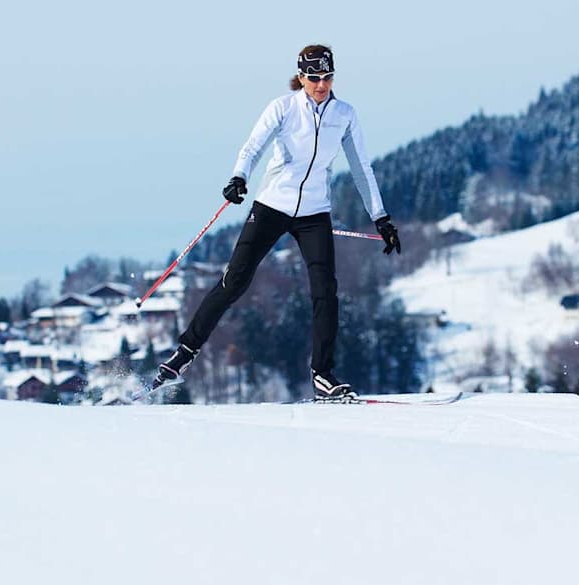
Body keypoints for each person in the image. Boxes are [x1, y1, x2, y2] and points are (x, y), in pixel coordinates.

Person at [152, 44, 401, 402]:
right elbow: (252, 147)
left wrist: (381, 218)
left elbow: (362, 168)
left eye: (327, 77)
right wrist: (239, 177)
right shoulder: (283, 108)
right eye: (314, 77)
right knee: (234, 281)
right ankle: (183, 354)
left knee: (325, 290)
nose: (321, 84)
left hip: (314, 212)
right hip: (272, 206)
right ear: (301, 77)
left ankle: (322, 375)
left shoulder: (344, 114)